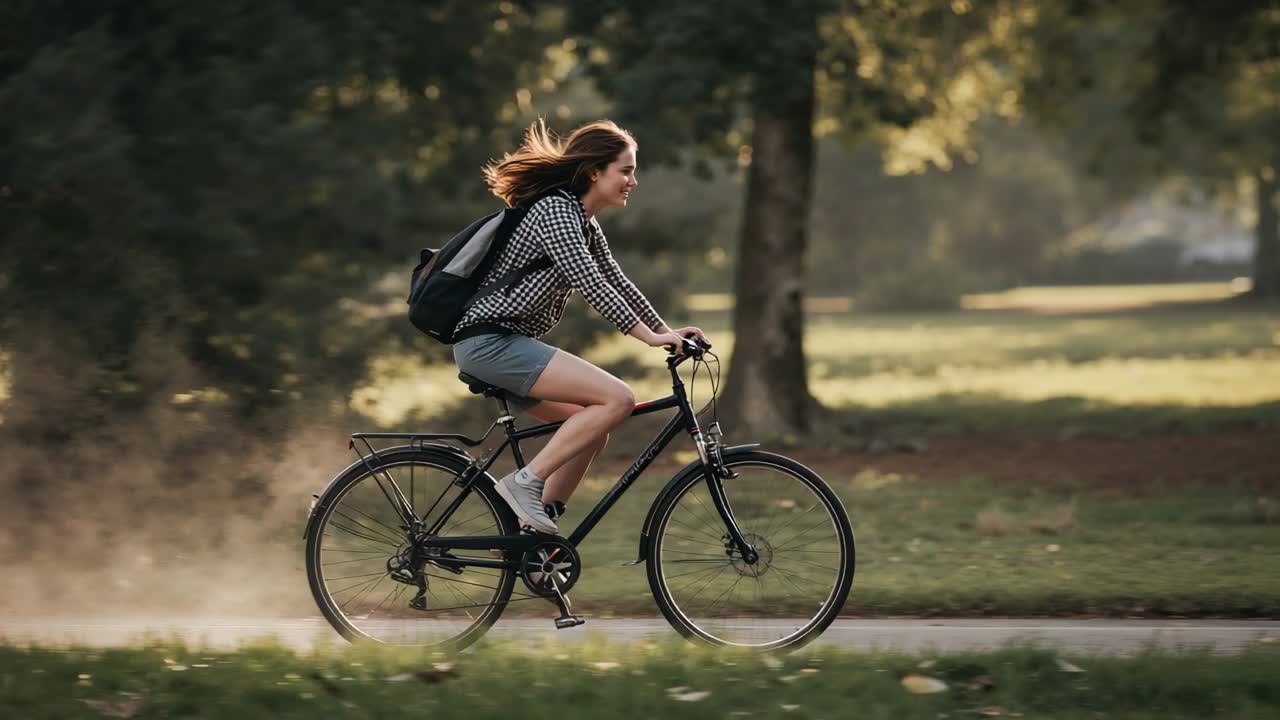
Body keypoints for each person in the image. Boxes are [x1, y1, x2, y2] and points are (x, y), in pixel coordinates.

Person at [453, 118, 707, 535]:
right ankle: (524, 482)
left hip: (505, 343)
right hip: (490, 343)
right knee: (618, 399)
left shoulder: (583, 221)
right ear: (594, 172)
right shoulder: (555, 211)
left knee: (592, 430)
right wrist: (649, 338)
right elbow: (590, 282)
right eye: (625, 171)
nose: (633, 181)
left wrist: (667, 331)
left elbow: (616, 281)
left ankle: (532, 537)